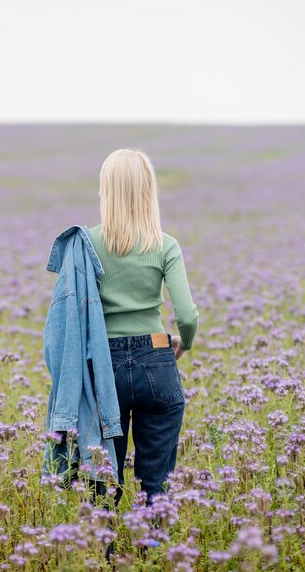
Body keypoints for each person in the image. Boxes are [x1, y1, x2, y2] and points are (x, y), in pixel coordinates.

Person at [87, 148, 200, 511]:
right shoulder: (165, 244)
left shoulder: (87, 242)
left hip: (105, 364)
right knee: (156, 483)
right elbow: (187, 315)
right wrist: (183, 343)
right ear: (149, 190)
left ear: (106, 189)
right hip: (158, 358)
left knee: (103, 477)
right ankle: (154, 553)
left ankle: (102, 559)